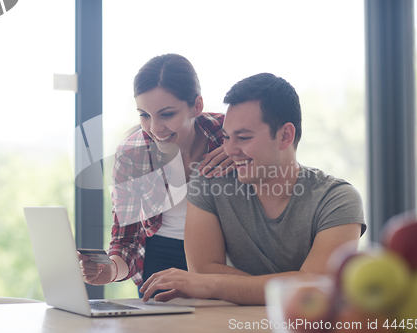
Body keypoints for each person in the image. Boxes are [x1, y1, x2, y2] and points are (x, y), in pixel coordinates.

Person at [139, 73, 366, 305]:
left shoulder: (338, 199)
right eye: (226, 137)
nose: (230, 150)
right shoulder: (209, 182)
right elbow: (202, 270)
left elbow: (314, 290)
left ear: (285, 136)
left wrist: (215, 285)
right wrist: (283, 285)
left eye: (244, 137)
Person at [78, 54, 233, 296]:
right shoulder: (132, 155)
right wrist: (109, 271)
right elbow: (125, 241)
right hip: (159, 264)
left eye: (167, 114)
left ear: (197, 106)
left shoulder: (230, 136)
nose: (155, 128)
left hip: (222, 260)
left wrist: (242, 154)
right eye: (144, 115)